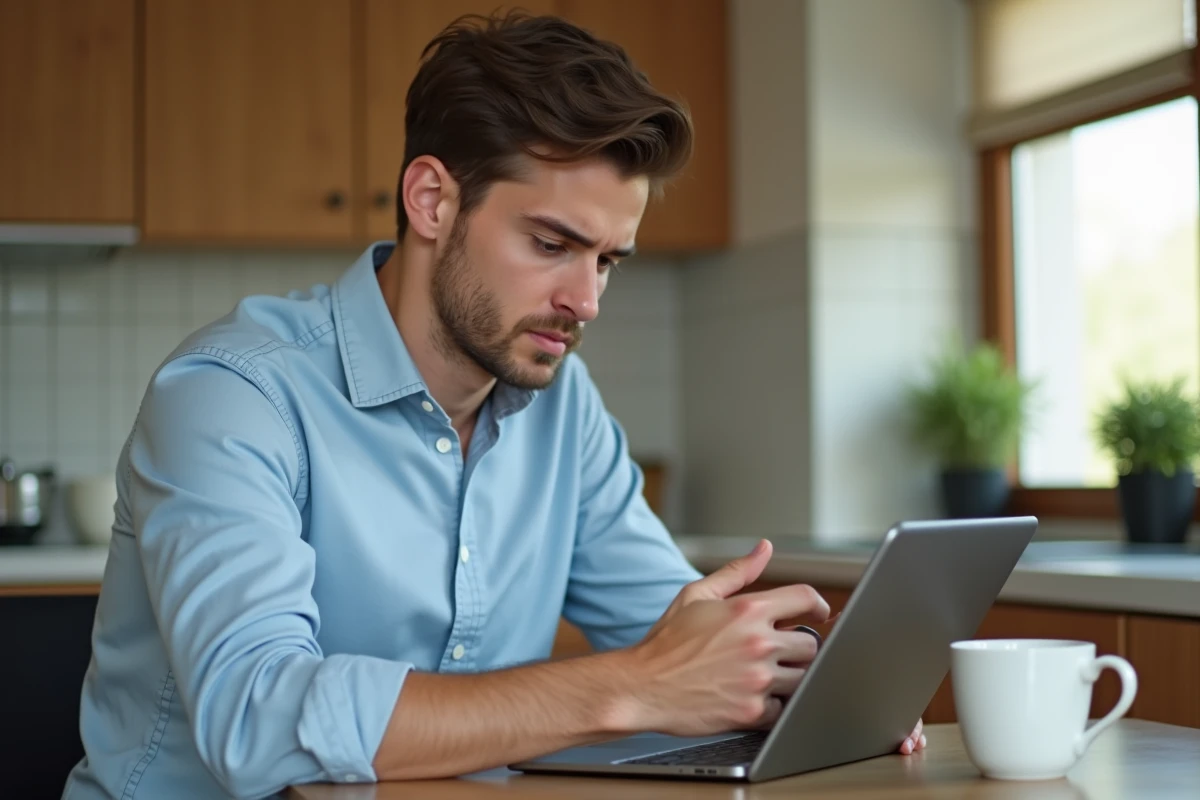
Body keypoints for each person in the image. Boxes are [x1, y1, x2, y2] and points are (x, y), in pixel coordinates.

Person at [62, 12, 924, 800]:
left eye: (609, 261)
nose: (585, 300)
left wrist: (800, 688)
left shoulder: (562, 405)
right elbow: (253, 717)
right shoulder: (233, 394)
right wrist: (632, 687)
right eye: (552, 244)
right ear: (432, 200)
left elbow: (677, 633)